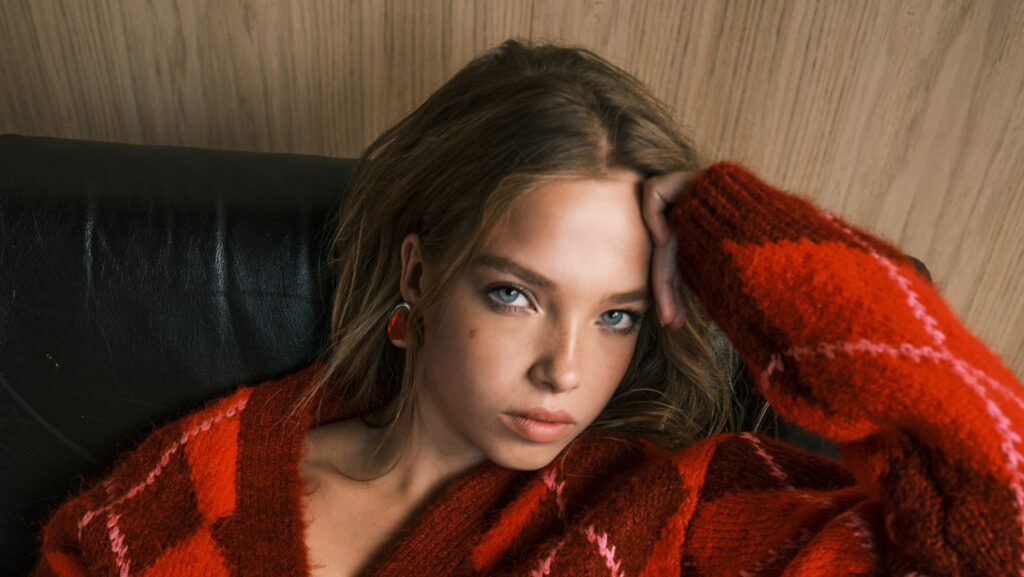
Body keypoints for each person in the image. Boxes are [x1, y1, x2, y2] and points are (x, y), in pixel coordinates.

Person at [33, 39, 1023, 577]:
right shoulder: (187, 498)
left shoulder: (671, 514)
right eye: (515, 294)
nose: (565, 368)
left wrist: (741, 232)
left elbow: (998, 523)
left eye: (617, 315)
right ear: (417, 273)